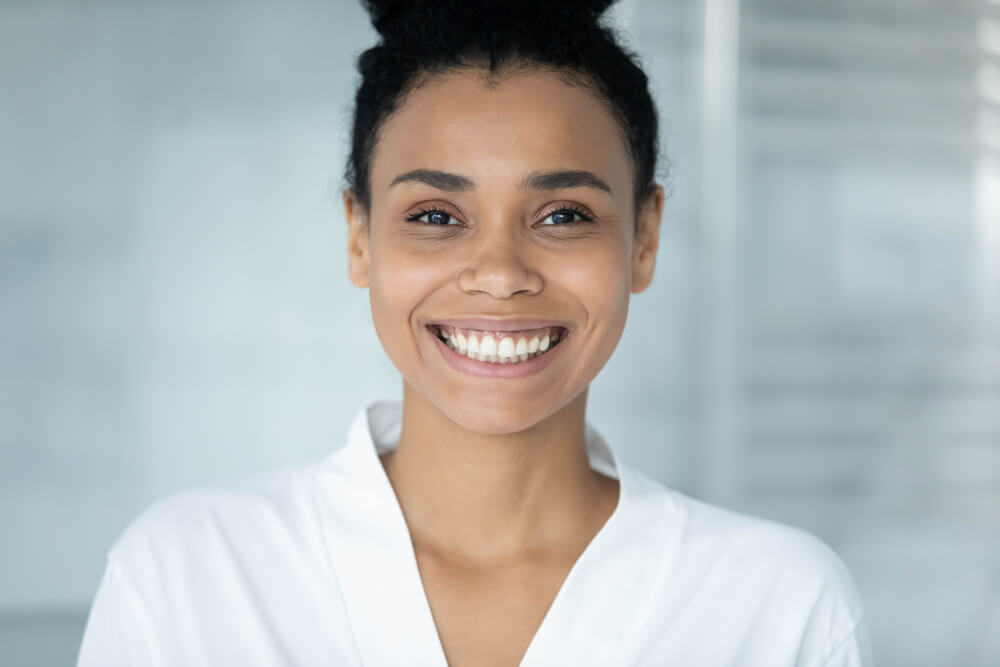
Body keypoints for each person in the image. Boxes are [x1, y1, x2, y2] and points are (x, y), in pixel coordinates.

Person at [77, 0, 872, 665]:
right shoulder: (185, 579)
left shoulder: (778, 607)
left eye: (564, 215)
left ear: (644, 238)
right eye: (434, 216)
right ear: (359, 236)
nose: (499, 272)